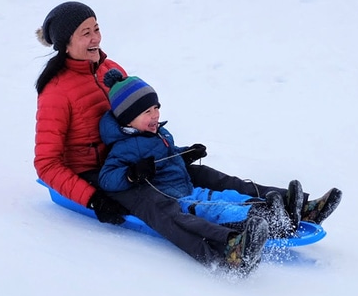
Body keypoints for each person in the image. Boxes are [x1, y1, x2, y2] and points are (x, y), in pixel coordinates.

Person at [33, 1, 342, 270]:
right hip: (102, 176)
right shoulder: (56, 92)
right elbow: (46, 164)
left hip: (138, 153)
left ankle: (295, 206)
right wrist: (93, 199)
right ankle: (229, 250)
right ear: (65, 43)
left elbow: (135, 114)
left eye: (97, 29)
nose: (96, 38)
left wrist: (175, 152)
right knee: (160, 205)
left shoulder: (109, 68)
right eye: (85, 33)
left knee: (205, 176)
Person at [97, 68, 301, 238]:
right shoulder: (124, 146)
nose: (155, 115)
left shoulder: (159, 133)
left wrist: (187, 154)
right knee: (217, 209)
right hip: (176, 199)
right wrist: (132, 174)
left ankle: (269, 212)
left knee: (227, 196)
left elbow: (169, 155)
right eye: (147, 112)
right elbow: (106, 178)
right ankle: (266, 225)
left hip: (189, 188)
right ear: (128, 119)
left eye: (156, 108)